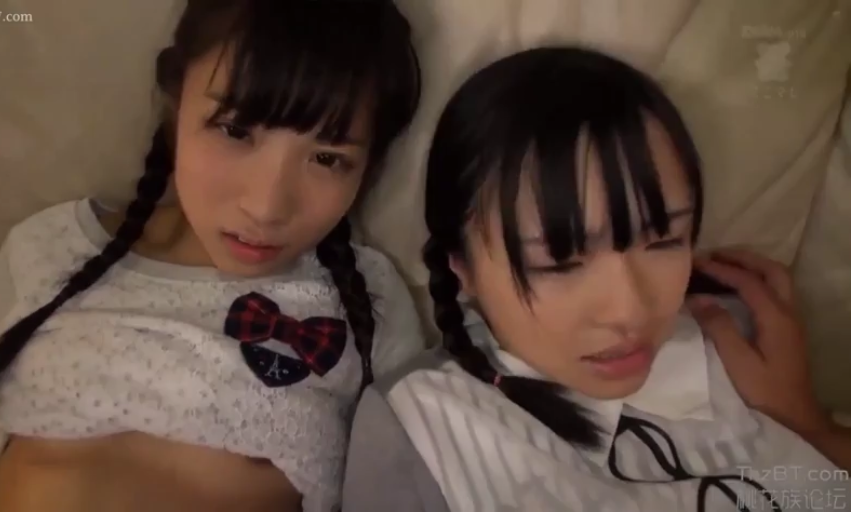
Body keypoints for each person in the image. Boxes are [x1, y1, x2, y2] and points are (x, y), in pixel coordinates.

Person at [0, 1, 424, 511]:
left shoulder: (369, 299)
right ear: (176, 105)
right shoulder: (48, 246)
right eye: (235, 130)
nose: (266, 207)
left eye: (328, 159)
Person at [341, 46, 850, 511]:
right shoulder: (419, 426)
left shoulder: (745, 342)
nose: (630, 311)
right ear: (462, 266)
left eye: (665, 240)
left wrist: (808, 424)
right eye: (559, 263)